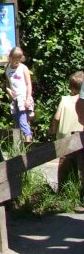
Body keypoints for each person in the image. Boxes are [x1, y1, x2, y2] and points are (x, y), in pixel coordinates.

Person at [50, 71, 84, 201]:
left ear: (72, 88)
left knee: (65, 164)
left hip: (65, 138)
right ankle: (80, 193)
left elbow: (56, 117)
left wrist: (53, 130)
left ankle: (63, 192)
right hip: (80, 136)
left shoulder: (65, 100)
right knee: (81, 165)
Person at [5, 46, 33, 144]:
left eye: (18, 61)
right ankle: (19, 145)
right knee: (16, 122)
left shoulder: (23, 68)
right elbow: (7, 83)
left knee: (22, 121)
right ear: (10, 58)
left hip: (23, 98)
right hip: (14, 99)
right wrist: (8, 90)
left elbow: (28, 84)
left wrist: (28, 99)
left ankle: (28, 140)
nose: (16, 63)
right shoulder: (7, 68)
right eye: (14, 60)